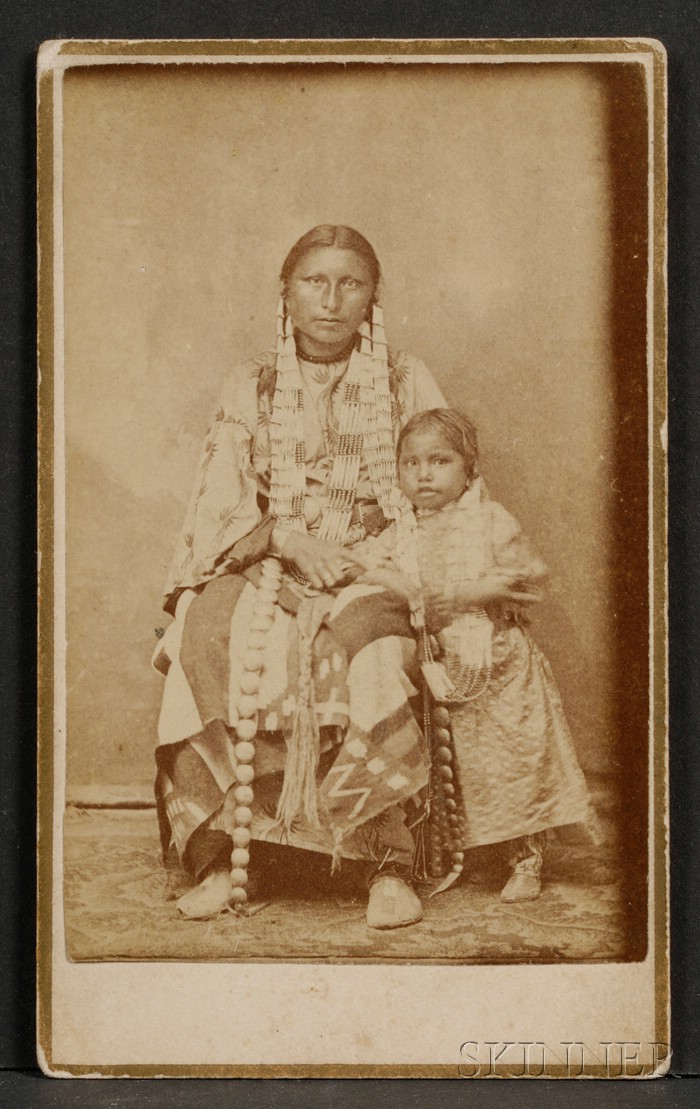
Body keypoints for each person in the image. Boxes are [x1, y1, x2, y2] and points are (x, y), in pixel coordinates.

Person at [152, 224, 448, 929]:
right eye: (315, 280)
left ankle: (386, 860)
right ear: (285, 292)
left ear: (373, 294)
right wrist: (285, 538)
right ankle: (222, 855)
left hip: (375, 558)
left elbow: (444, 487)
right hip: (269, 554)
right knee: (203, 632)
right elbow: (220, 500)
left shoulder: (406, 378)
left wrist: (379, 559)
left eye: (351, 282)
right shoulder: (252, 381)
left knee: (371, 648)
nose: (332, 298)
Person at [356, 408, 599, 903]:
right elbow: (366, 571)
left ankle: (526, 860)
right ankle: (450, 856)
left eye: (439, 461)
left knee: (512, 765)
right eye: (411, 463)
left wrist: (469, 593)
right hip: (440, 667)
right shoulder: (400, 531)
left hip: (501, 665)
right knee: (458, 769)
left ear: (468, 468)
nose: (423, 474)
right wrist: (401, 585)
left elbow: (530, 580)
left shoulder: (489, 520)